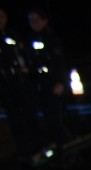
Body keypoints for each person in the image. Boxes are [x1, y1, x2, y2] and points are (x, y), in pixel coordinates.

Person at [25, 4, 73, 149]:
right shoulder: (30, 40)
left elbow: (59, 62)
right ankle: (57, 145)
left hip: (53, 83)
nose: (34, 23)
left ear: (45, 21)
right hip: (40, 85)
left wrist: (60, 83)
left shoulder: (52, 39)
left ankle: (67, 144)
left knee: (56, 117)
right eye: (31, 20)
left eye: (37, 19)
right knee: (47, 117)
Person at [0, 5, 41, 160]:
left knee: (31, 118)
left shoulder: (13, 35)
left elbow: (24, 54)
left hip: (22, 85)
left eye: (2, 16)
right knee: (17, 123)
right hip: (6, 89)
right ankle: (25, 155)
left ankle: (38, 148)